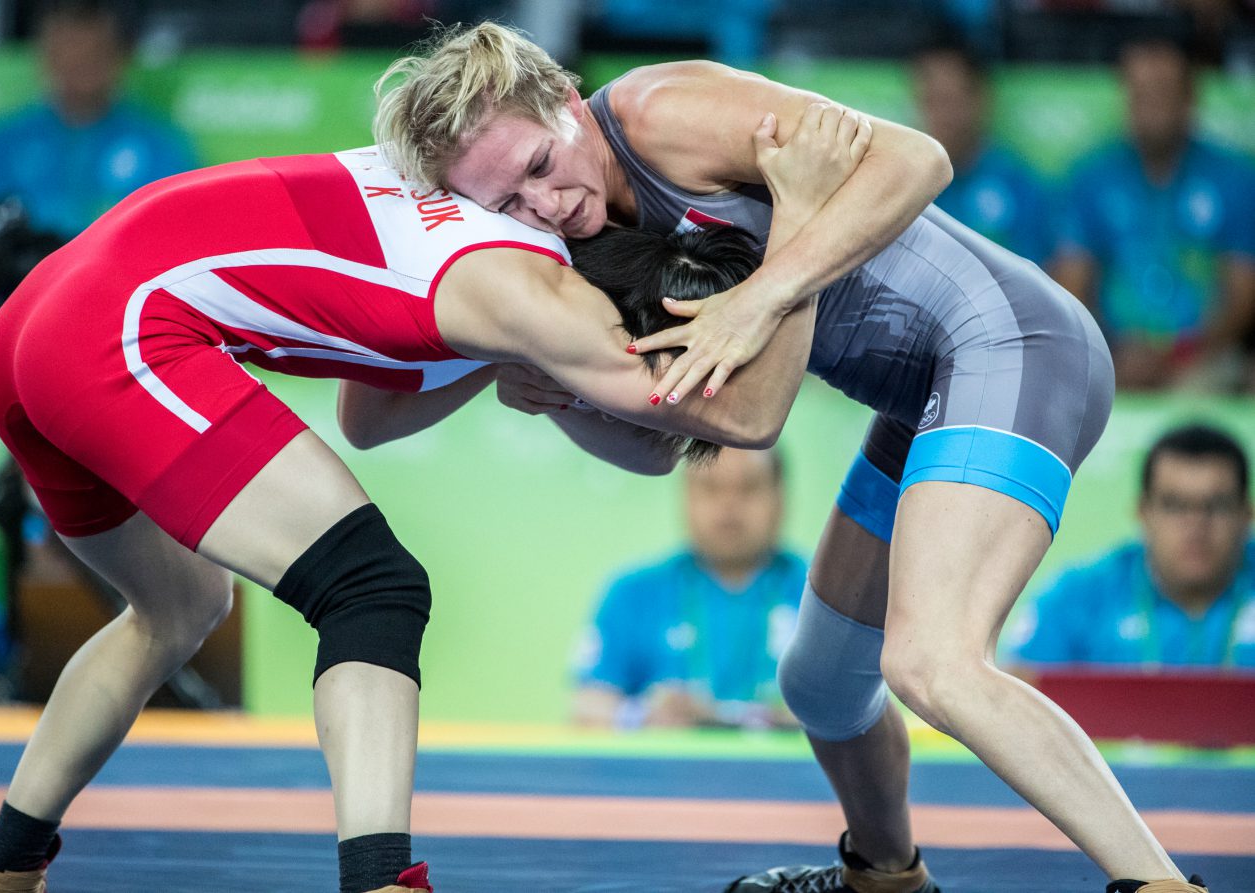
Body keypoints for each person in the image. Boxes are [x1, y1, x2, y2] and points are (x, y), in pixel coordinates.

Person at [375, 21, 1211, 891]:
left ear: (563, 101)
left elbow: (918, 159)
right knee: (821, 682)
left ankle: (1159, 883)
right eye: (506, 202)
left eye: (540, 167)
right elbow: (665, 448)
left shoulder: (662, 113)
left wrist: (764, 295)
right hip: (922, 398)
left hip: (1016, 347)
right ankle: (885, 874)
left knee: (933, 660)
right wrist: (559, 400)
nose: (542, 208)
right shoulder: (568, 246)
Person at [0, 94, 853, 892]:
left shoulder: (482, 205)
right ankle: (381, 882)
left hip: (41, 315)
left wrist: (517, 360)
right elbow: (741, 420)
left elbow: (368, 415)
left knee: (179, 604)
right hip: (115, 332)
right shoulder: (540, 294)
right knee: (373, 589)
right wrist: (804, 234)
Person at [1052, 37, 1255, 393]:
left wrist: (1191, 354)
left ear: (1190, 99)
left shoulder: (1235, 177)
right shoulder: (1090, 176)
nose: (1152, 106)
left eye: (1164, 92)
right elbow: (1071, 283)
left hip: (1206, 359)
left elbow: (1243, 290)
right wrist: (1112, 353)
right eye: (1141, 93)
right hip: (1111, 357)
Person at [574, 447, 807, 730]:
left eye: (748, 488)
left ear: (780, 498)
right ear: (686, 497)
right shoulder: (632, 593)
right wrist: (645, 715)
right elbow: (585, 707)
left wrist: (815, 719)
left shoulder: (826, 596)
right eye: (710, 488)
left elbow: (870, 705)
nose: (728, 505)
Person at [1008, 423, 1255, 669]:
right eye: (1174, 505)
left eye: (1217, 505)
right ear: (1143, 513)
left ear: (1246, 515)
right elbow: (1015, 695)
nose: (1196, 525)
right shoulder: (1076, 598)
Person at [0, 0, 197, 242]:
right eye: (68, 48)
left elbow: (177, 235)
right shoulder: (0, 141)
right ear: (45, 54)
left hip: (121, 278)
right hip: (21, 280)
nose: (80, 61)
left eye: (95, 51)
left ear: (121, 56)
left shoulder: (162, 144)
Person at [911, 41, 1054, 266]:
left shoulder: (1019, 184)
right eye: (932, 101)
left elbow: (1040, 276)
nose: (943, 116)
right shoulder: (904, 185)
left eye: (951, 100)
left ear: (981, 99)